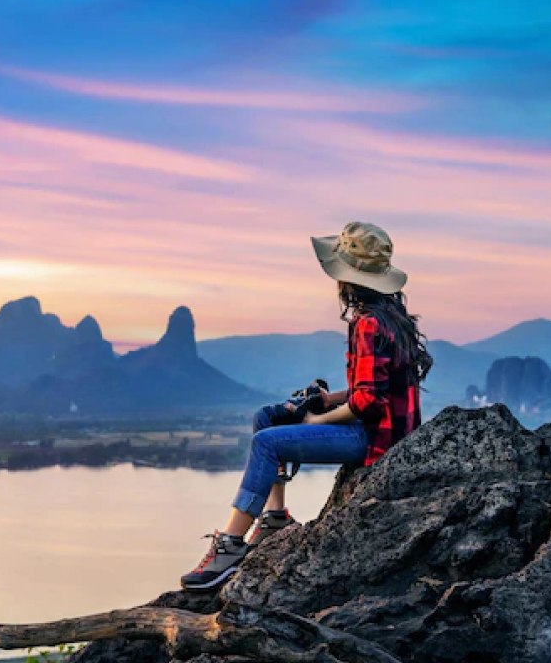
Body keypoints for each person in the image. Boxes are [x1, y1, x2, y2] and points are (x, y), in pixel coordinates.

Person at [180, 221, 433, 591]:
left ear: (347, 279)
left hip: (376, 438)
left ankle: (230, 546)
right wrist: (332, 399)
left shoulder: (368, 324)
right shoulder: (390, 318)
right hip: (384, 428)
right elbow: (376, 386)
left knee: (265, 442)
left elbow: (369, 402)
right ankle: (274, 518)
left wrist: (319, 418)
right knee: (266, 418)